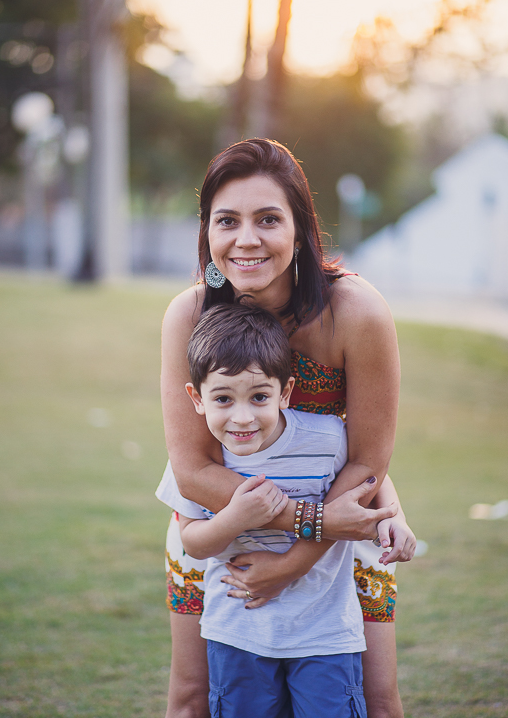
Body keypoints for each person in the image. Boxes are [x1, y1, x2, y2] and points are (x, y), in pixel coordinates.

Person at [159, 138, 416, 718]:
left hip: (345, 523)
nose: (246, 240)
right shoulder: (191, 315)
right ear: (207, 233)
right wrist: (310, 519)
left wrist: (305, 552)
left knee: (374, 700)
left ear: (300, 229)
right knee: (193, 698)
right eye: (227, 221)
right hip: (221, 539)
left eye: (268, 219)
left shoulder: (356, 311)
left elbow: (370, 458)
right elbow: (194, 470)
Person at [157, 301, 368, 717]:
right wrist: (235, 517)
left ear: (285, 392)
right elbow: (193, 543)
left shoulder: (327, 439)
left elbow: (370, 476)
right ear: (196, 398)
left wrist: (393, 515)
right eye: (222, 398)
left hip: (325, 631)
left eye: (259, 397)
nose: (242, 418)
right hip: (238, 630)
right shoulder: (201, 460)